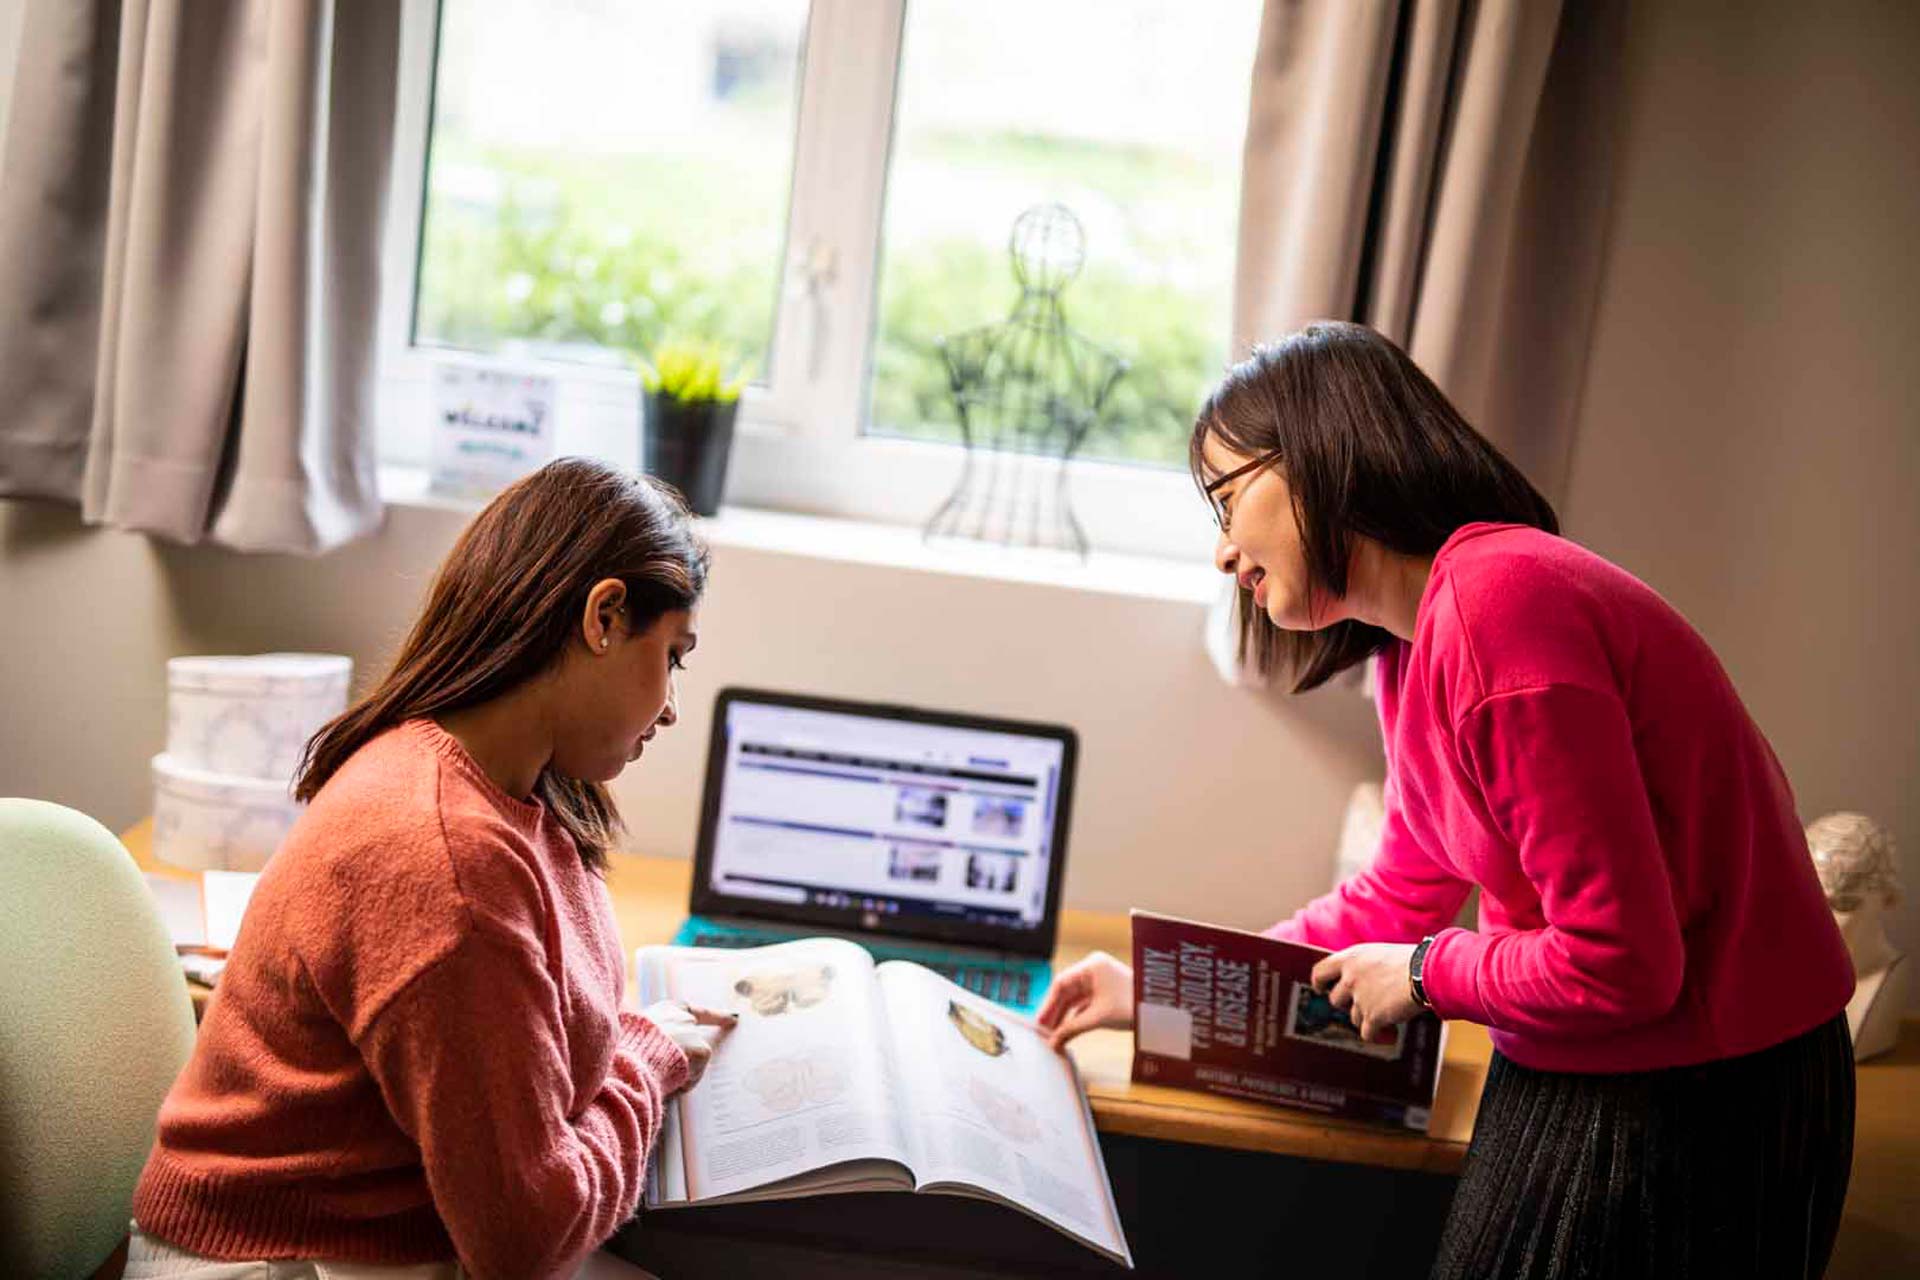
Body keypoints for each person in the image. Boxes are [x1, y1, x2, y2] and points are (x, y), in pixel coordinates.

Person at [1038, 323, 1857, 1279]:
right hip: (1595, 1064)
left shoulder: (1502, 606)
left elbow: (1624, 966)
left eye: (1226, 499)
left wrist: (1426, 974)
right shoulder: (1409, 648)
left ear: (1318, 456)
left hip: (1700, 1090)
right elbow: (1395, 900)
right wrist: (1166, 993)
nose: (1223, 553)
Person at [128, 458, 735, 1280]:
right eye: (673, 655)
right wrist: (647, 1060)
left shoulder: (518, 788)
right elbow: (528, 1242)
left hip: (388, 1239)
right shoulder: (447, 864)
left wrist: (623, 1063)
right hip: (278, 1262)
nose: (668, 705)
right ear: (604, 616)